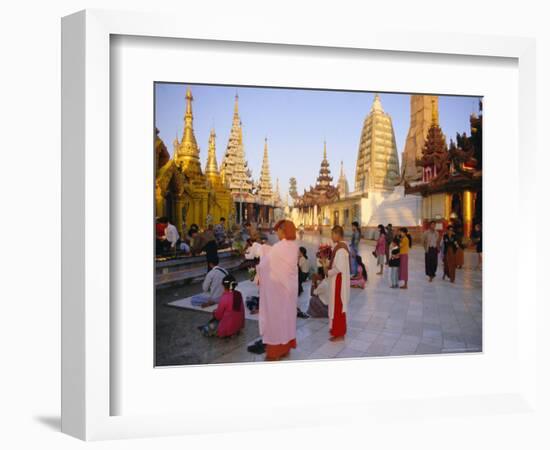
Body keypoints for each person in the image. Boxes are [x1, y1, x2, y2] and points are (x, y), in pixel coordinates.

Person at [256, 219, 299, 361]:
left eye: (278, 231)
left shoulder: (279, 247)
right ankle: (285, 348)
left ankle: (274, 352)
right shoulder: (294, 246)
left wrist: (261, 251)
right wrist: (266, 249)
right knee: (286, 318)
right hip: (290, 289)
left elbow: (265, 265)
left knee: (275, 319)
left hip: (278, 290)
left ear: (283, 231)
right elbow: (275, 256)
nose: (277, 233)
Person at [321, 225, 350, 341]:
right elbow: (336, 264)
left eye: (333, 234)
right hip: (337, 280)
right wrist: (326, 263)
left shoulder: (342, 249)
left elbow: (339, 268)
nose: (331, 236)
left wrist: (328, 271)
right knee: (336, 306)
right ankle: (335, 329)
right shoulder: (338, 247)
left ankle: (340, 333)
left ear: (338, 234)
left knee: (338, 307)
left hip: (339, 282)